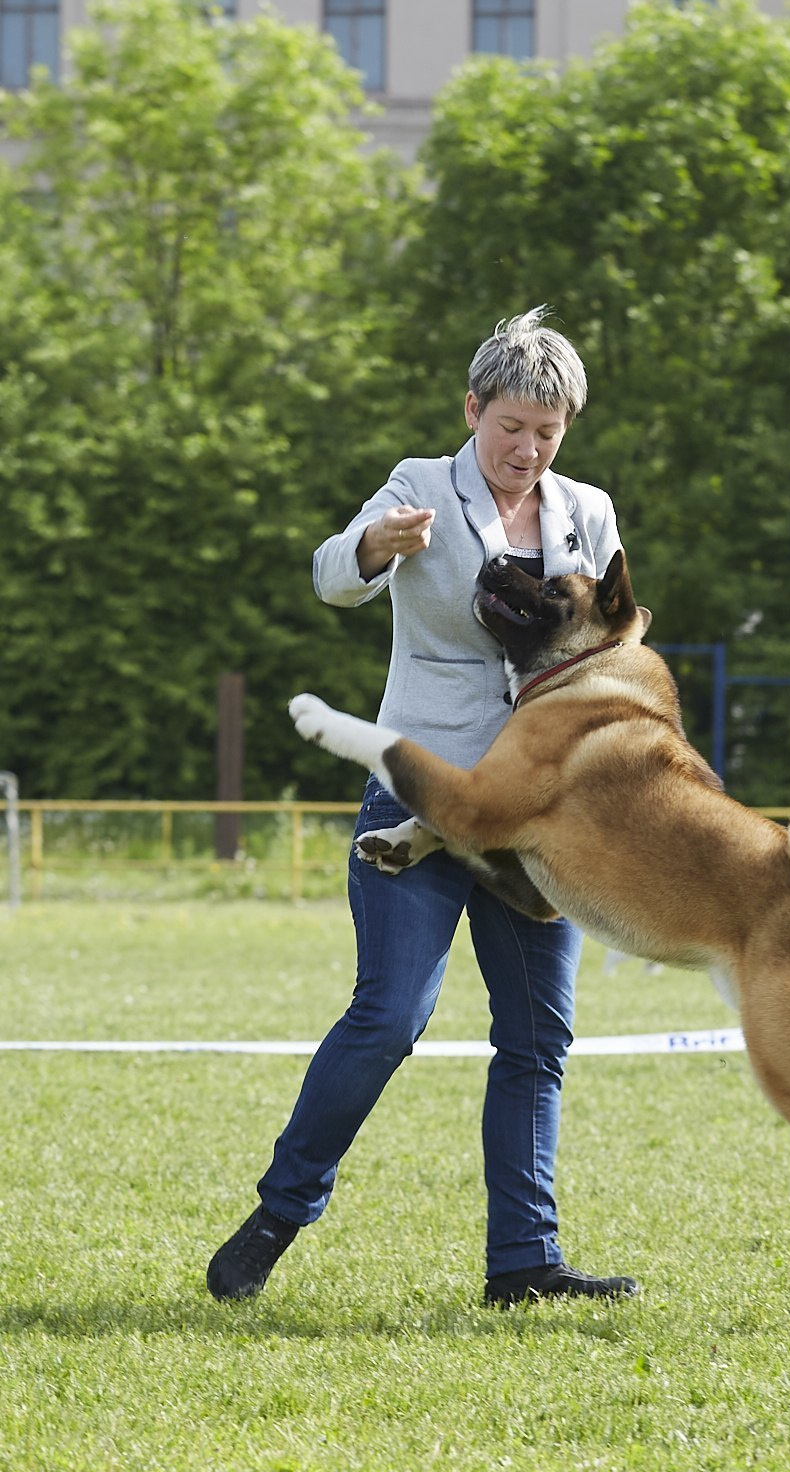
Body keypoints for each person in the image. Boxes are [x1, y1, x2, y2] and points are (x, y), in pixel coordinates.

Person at [207, 308, 638, 1307]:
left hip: (537, 816)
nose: (527, 449)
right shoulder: (418, 483)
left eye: (547, 432)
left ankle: (523, 1261)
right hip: (420, 791)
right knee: (390, 1014)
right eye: (511, 427)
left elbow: (613, 640)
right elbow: (331, 578)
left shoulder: (587, 509)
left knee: (537, 1039)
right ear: (472, 409)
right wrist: (372, 543)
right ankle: (279, 1213)